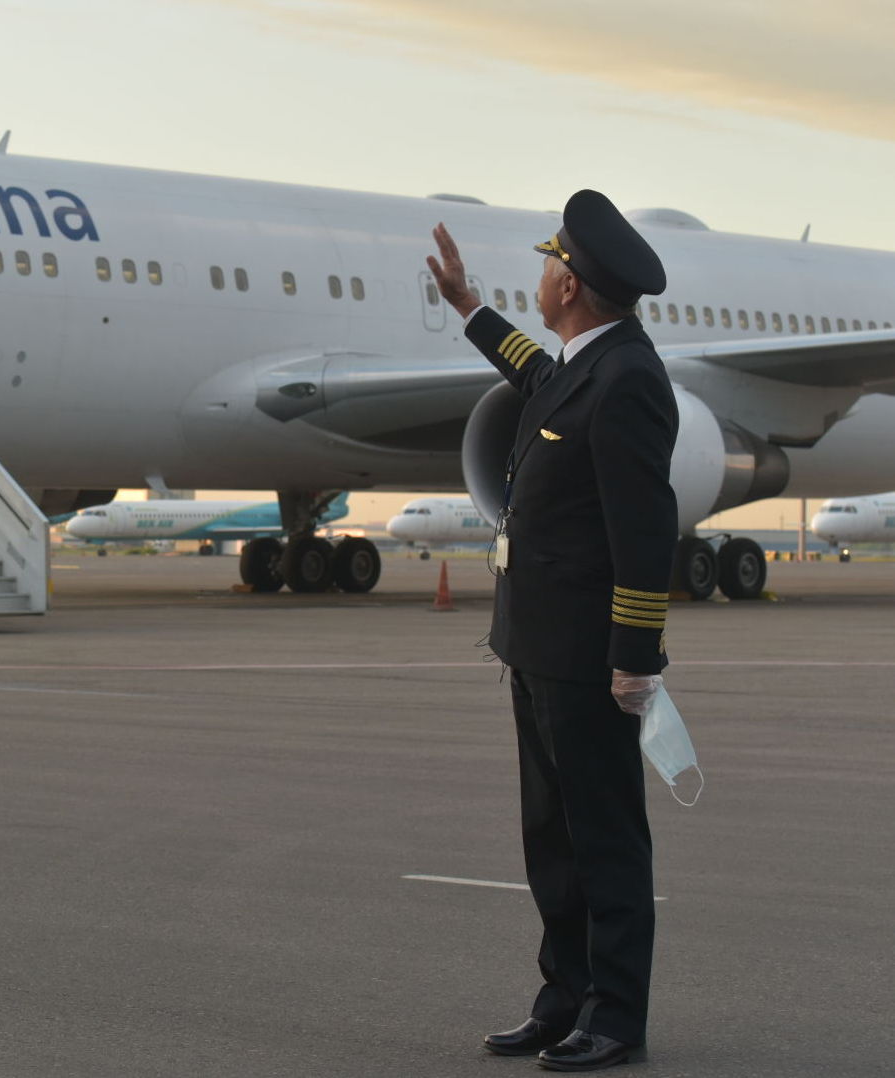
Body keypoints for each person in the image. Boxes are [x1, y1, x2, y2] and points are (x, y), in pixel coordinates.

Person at [426, 190, 679, 1072]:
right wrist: (468, 306)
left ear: (569, 286)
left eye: (548, 264)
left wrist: (635, 660)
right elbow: (531, 371)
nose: (539, 275)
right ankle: (564, 998)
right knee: (552, 842)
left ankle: (616, 1016)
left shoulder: (629, 379)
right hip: (535, 648)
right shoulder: (579, 366)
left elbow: (645, 532)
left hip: (588, 660)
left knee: (603, 841)